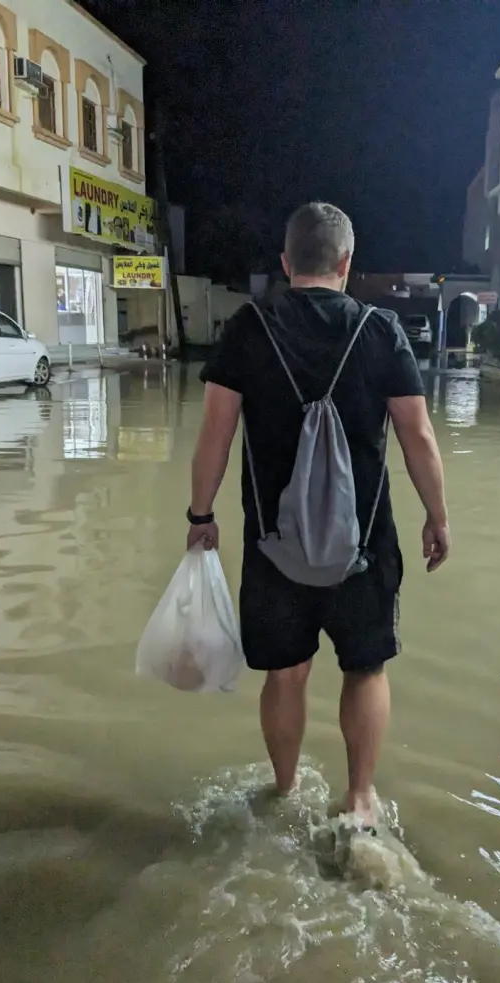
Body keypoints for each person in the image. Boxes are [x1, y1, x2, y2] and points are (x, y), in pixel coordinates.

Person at [187, 202, 449, 828]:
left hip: (275, 547)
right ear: (346, 263)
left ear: (286, 262)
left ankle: (283, 793)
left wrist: (200, 516)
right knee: (365, 667)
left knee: (285, 672)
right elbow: (418, 436)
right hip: (362, 547)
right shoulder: (381, 330)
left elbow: (214, 437)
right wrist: (438, 517)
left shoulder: (248, 328)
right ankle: (359, 800)